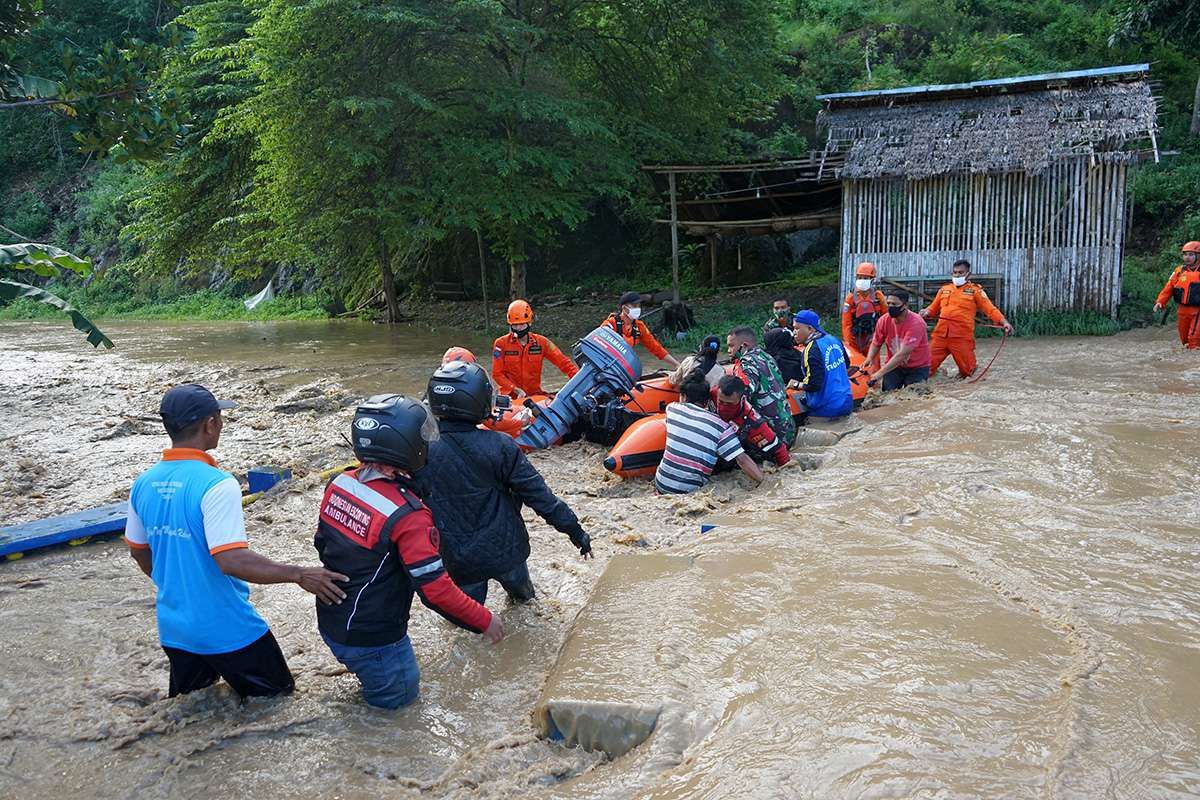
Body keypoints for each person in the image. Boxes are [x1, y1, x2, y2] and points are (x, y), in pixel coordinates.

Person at [125, 383, 348, 699]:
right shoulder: (217, 484)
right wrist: (299, 574)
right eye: (220, 417)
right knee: (280, 704)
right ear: (211, 424)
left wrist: (178, 586)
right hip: (228, 628)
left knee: (195, 713)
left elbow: (139, 552)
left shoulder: (143, 483)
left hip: (175, 629)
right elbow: (231, 560)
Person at [313, 395, 503, 709]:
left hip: (335, 622)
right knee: (398, 712)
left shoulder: (340, 483)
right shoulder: (408, 515)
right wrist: (484, 619)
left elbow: (322, 542)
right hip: (376, 640)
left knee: (374, 695)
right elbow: (436, 590)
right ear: (405, 448)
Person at [414, 360, 593, 604]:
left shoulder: (418, 453)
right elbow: (540, 498)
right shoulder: (500, 446)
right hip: (506, 552)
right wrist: (576, 532)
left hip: (459, 559)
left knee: (469, 624)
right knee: (527, 604)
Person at [655, 371, 763, 494]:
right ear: (707, 402)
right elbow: (742, 460)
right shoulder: (721, 427)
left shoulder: (671, 409)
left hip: (660, 484)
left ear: (683, 396)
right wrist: (764, 482)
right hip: (688, 492)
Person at [919, 259, 1013, 376]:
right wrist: (925, 312)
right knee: (924, 369)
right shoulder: (944, 289)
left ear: (968, 274)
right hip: (940, 336)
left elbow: (990, 309)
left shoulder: (975, 291)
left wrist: (1004, 322)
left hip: (961, 337)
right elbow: (932, 308)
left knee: (968, 373)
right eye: (955, 272)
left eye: (960, 272)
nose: (957, 275)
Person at [491, 300, 579, 399]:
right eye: (515, 325)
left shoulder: (542, 343)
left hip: (534, 395)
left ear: (530, 323)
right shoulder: (500, 344)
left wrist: (579, 381)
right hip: (510, 397)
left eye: (522, 324)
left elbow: (564, 363)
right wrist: (515, 389)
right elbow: (497, 374)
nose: (518, 328)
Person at [727, 326, 797, 446]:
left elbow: (741, 399)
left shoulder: (746, 364)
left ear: (744, 346)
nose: (728, 350)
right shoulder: (767, 357)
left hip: (771, 436)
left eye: (731, 346)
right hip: (788, 429)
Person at [713, 374, 789, 467]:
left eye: (729, 404)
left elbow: (780, 451)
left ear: (741, 399)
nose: (724, 407)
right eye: (720, 402)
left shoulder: (753, 423)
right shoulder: (712, 393)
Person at [864, 289, 932, 391]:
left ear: (905, 305)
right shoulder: (883, 320)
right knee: (887, 395)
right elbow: (876, 343)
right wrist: (869, 358)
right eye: (888, 303)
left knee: (914, 398)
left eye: (894, 304)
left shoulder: (917, 323)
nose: (890, 307)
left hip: (917, 367)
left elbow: (903, 354)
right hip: (893, 366)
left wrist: (880, 373)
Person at [791, 309, 853, 419]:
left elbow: (813, 384)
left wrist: (795, 385)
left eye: (797, 328)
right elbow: (846, 365)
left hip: (825, 408)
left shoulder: (810, 350)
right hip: (846, 400)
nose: (794, 333)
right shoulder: (834, 339)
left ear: (810, 329)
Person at [602, 291, 680, 368]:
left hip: (622, 365)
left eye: (639, 306)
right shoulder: (611, 323)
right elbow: (600, 341)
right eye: (634, 305)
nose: (638, 308)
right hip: (606, 364)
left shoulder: (639, 326)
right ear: (624, 308)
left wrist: (677, 364)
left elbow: (656, 348)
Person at [1153, 241, 1200, 349]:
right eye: (1185, 254)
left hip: (1198, 311)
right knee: (1185, 340)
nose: (1187, 257)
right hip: (1182, 310)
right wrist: (1160, 302)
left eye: (1191, 254)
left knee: (1194, 339)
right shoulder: (1179, 271)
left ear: (1198, 256)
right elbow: (1169, 288)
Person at [841, 262, 887, 369]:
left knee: (874, 364)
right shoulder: (851, 298)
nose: (862, 280)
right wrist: (848, 341)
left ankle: (874, 384)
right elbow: (846, 323)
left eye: (866, 278)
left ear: (872, 280)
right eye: (860, 277)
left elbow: (886, 317)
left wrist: (883, 336)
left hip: (872, 336)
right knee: (855, 364)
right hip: (855, 338)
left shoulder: (878, 296)